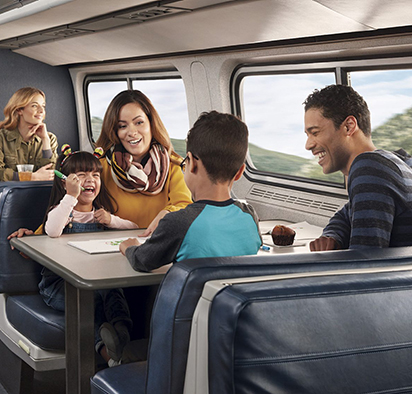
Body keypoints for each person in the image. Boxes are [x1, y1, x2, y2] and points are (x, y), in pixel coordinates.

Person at [303, 84, 412, 251]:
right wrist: (333, 236)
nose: (308, 145)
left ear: (349, 126)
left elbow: (363, 262)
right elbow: (347, 213)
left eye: (315, 132)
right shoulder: (404, 163)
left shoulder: (369, 168)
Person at [118, 111, 263, 272]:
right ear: (240, 172)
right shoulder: (250, 216)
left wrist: (130, 248)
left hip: (189, 298)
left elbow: (142, 260)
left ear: (191, 162)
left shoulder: (179, 222)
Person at [39, 146, 138, 367]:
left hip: (96, 280)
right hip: (60, 285)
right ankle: (109, 356)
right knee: (89, 302)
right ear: (65, 182)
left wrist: (112, 220)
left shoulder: (102, 213)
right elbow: (52, 229)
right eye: (81, 175)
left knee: (114, 291)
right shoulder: (64, 212)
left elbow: (133, 229)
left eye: (95, 175)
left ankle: (122, 334)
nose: (90, 180)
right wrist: (71, 196)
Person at [95, 89, 193, 235]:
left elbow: (183, 206)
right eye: (122, 126)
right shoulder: (100, 167)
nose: (132, 132)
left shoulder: (174, 166)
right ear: (114, 131)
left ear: (151, 124)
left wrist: (166, 213)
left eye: (139, 122)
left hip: (159, 244)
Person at [0, 87, 57, 183]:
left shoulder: (50, 138)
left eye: (43, 106)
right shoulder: (0, 137)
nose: (41, 111)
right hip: (10, 196)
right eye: (34, 106)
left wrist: (45, 140)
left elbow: (51, 175)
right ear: (19, 110)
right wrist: (32, 177)